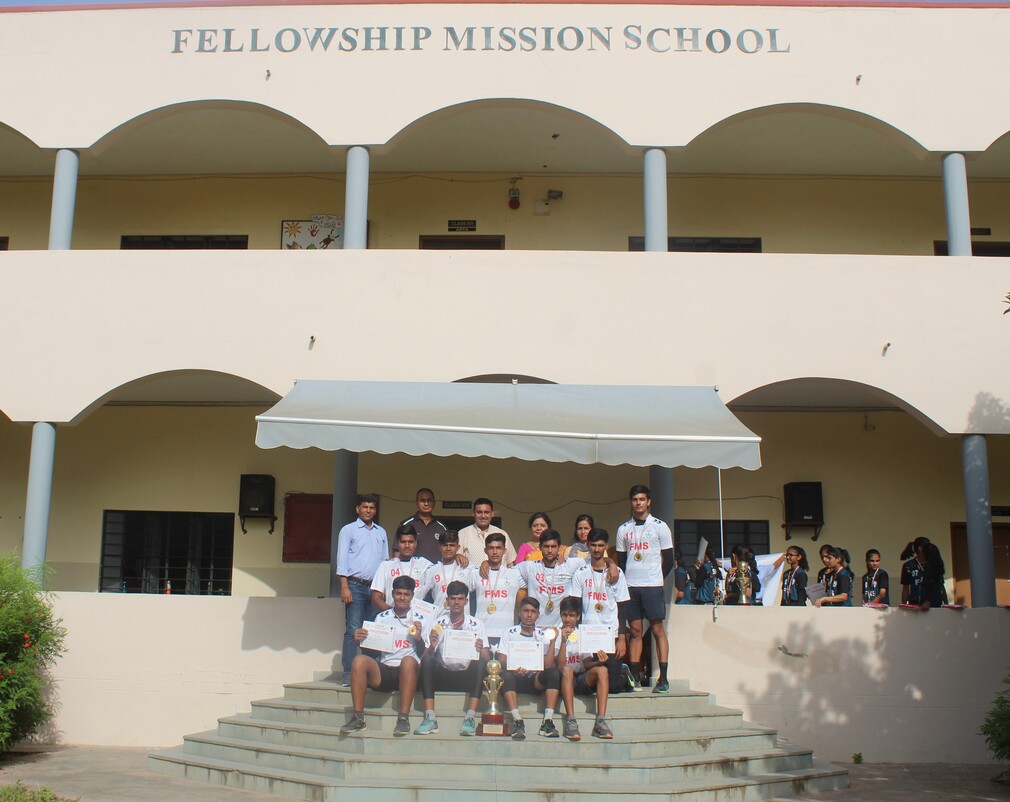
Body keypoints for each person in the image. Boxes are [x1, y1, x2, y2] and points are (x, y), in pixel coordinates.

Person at [340, 575, 431, 736]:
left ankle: (403, 719)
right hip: (385, 671)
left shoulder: (422, 619)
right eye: (398, 593)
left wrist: (418, 639)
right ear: (392, 594)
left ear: (412, 595)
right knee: (359, 660)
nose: (402, 598)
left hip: (409, 672)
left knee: (408, 661)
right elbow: (373, 652)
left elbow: (426, 655)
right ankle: (358, 718)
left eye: (406, 594)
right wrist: (360, 641)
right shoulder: (382, 617)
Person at [616, 484, 674, 693]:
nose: (638, 503)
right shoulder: (623, 529)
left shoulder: (660, 526)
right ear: (631, 502)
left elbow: (669, 559)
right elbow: (621, 561)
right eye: (634, 500)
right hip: (631, 586)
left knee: (657, 629)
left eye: (642, 499)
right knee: (635, 631)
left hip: (652, 586)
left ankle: (663, 678)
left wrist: (657, 578)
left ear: (649, 502)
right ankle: (634, 679)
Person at [414, 580, 490, 736]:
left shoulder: (477, 624)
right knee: (428, 660)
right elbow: (424, 658)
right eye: (453, 598)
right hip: (444, 674)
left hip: (467, 676)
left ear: (466, 601)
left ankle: (470, 717)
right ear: (447, 600)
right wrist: (432, 646)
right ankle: (430, 717)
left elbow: (487, 660)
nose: (456, 602)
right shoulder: (437, 623)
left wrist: (480, 649)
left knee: (481, 662)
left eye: (460, 599)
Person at [568, 527, 631, 698]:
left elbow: (622, 606)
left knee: (613, 687)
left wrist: (622, 638)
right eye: (594, 545)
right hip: (588, 634)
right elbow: (576, 605)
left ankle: (624, 675)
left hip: (611, 634)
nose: (597, 549)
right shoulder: (580, 573)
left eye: (600, 545)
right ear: (588, 545)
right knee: (592, 677)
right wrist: (576, 634)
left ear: (606, 546)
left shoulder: (617, 573)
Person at [515, 529, 618, 630]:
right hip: (536, 629)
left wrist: (611, 563)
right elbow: (508, 573)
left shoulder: (570, 565)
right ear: (540, 547)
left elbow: (597, 559)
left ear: (559, 548)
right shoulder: (529, 567)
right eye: (546, 546)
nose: (550, 550)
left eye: (553, 547)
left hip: (561, 629)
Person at [335, 493, 388, 684]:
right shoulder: (348, 530)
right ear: (357, 509)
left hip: (375, 588)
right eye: (365, 507)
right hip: (355, 585)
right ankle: (349, 674)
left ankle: (369, 671)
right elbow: (342, 559)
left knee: (372, 630)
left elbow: (385, 563)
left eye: (372, 508)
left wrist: (384, 590)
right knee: (353, 629)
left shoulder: (381, 532)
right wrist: (344, 587)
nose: (368, 511)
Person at [498, 597, 562, 739]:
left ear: (538, 615)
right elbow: (501, 659)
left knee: (553, 673)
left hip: (534, 679)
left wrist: (552, 642)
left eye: (533, 612)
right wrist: (514, 668)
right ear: (519, 613)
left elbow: (547, 665)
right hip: (515, 677)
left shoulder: (543, 635)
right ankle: (517, 720)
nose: (529, 615)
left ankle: (547, 721)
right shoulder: (509, 632)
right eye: (526, 611)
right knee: (505, 675)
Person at [555, 597, 614, 741]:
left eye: (571, 615)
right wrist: (563, 642)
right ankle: (571, 720)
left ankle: (600, 721)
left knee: (602, 670)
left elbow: (586, 663)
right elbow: (560, 666)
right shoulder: (555, 634)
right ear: (560, 615)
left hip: (580, 678)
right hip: (563, 679)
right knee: (567, 669)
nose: (568, 619)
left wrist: (599, 662)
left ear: (578, 617)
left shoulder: (583, 634)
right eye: (564, 615)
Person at [474, 533, 525, 645]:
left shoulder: (515, 574)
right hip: (481, 633)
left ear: (505, 550)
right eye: (491, 548)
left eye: (498, 548)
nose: (495, 552)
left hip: (506, 634)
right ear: (485, 550)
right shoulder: (476, 573)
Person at [370, 524, 433, 610]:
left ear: (416, 543)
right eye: (403, 542)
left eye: (410, 542)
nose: (407, 546)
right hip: (392, 614)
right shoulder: (386, 565)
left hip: (416, 616)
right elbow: (376, 598)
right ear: (397, 543)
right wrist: (393, 613)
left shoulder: (425, 565)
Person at [418, 530, 477, 610]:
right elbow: (419, 595)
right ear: (439, 547)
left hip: (462, 616)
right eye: (445, 545)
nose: (448, 548)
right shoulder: (432, 570)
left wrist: (486, 563)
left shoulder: (467, 567)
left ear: (458, 547)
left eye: (452, 545)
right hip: (440, 616)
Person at [458, 497, 518, 565]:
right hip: (472, 572)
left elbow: (511, 561)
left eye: (486, 512)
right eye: (479, 512)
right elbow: (455, 558)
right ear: (473, 513)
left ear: (492, 514)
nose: (483, 516)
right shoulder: (463, 534)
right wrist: (457, 555)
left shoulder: (502, 534)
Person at [398, 487, 447, 563]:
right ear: (417, 503)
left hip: (436, 569)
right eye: (422, 500)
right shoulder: (406, 524)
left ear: (434, 503)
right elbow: (397, 551)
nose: (426, 504)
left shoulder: (441, 527)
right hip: (412, 569)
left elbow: (448, 550)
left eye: (429, 500)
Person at [901, 537, 945, 609]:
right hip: (915, 604)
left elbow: (941, 586)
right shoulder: (908, 566)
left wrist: (946, 604)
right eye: (928, 546)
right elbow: (906, 588)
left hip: (934, 605)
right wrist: (903, 606)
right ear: (920, 548)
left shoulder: (934, 564)